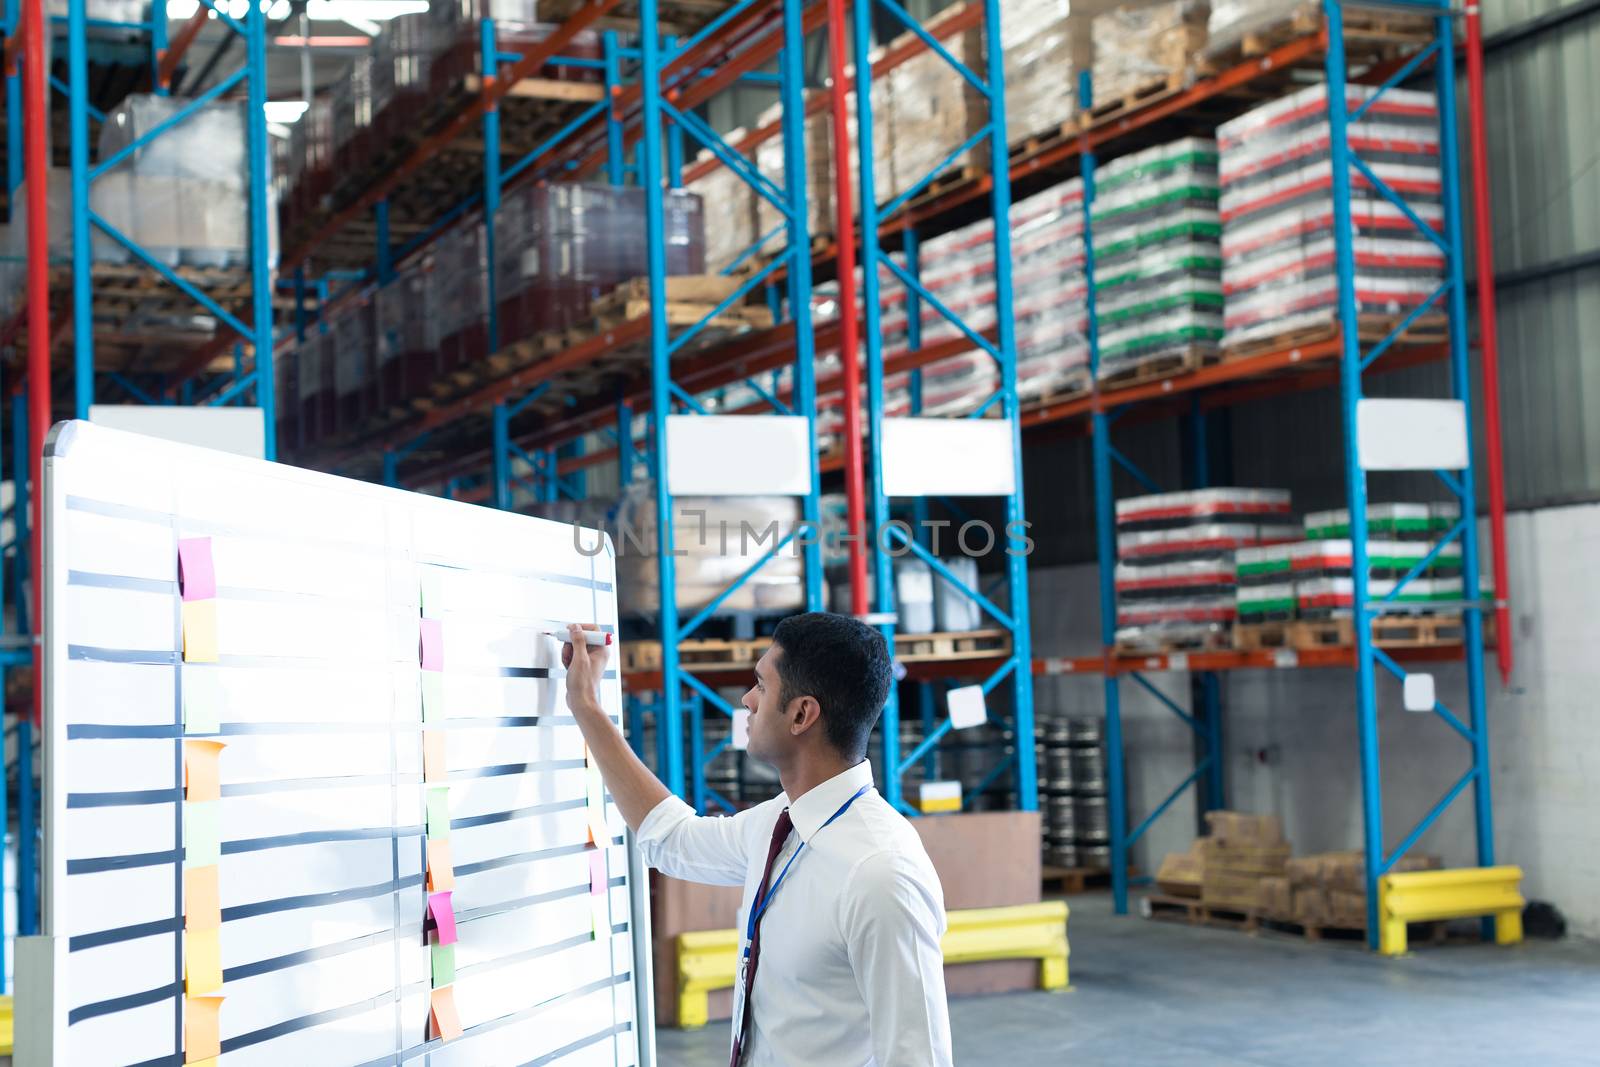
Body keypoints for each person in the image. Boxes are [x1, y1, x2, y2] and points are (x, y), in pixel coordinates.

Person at [563, 612, 953, 1067]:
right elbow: (673, 840)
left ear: (802, 714)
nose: (747, 700)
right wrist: (587, 707)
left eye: (762, 687)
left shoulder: (880, 874)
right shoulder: (780, 823)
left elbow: (918, 1057)